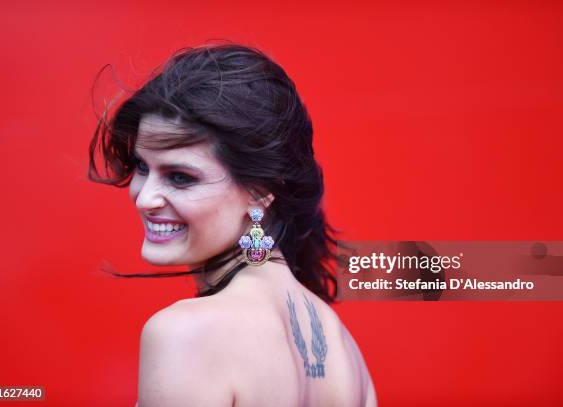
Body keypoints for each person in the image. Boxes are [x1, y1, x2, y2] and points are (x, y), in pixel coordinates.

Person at [88, 42, 377, 407]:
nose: (144, 197)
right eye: (143, 167)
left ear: (259, 191)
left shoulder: (186, 333)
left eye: (180, 177)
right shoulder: (344, 350)